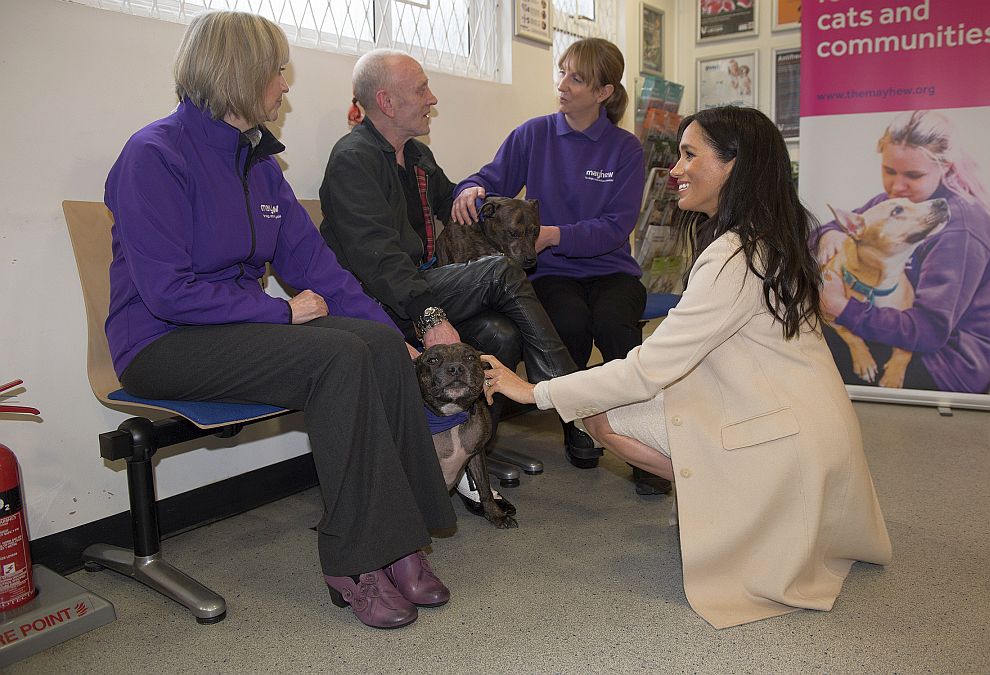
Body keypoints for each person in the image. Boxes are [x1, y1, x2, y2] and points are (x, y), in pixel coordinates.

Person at [104, 11, 456, 630]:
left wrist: (396, 335)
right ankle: (353, 561)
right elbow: (165, 292)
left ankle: (403, 540)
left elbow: (317, 267)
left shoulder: (260, 165)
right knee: (336, 356)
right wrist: (276, 310)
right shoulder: (153, 155)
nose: (286, 84)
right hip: (161, 341)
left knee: (372, 342)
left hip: (238, 331)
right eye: (278, 70)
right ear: (238, 73)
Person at [480, 106, 892, 629]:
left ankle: (736, 507)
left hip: (785, 441)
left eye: (689, 154)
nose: (674, 169)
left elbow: (646, 369)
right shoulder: (769, 239)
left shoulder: (733, 256)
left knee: (598, 415)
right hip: (808, 429)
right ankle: (735, 502)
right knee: (612, 398)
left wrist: (532, 391)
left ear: (733, 166)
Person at [318, 49, 604, 495]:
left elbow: (455, 204)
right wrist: (430, 316)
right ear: (387, 103)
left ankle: (467, 447)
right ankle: (574, 399)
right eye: (421, 89)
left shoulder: (413, 154)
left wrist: (471, 191)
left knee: (500, 334)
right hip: (377, 301)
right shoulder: (353, 161)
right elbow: (380, 262)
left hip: (414, 289)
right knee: (500, 273)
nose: (432, 98)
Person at [451, 38, 670, 495]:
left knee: (617, 330)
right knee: (567, 323)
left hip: (612, 270)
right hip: (553, 272)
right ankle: (579, 424)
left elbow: (615, 227)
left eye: (577, 78)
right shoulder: (533, 134)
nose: (563, 85)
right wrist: (469, 190)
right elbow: (491, 178)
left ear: (604, 92)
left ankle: (646, 443)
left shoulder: (625, 150)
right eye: (563, 72)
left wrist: (553, 234)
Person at [815, 110, 990, 393]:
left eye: (913, 175)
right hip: (903, 334)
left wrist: (843, 308)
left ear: (945, 168)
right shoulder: (900, 199)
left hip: (945, 363)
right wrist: (830, 233)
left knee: (807, 352)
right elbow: (844, 224)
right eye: (889, 171)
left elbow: (929, 331)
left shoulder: (961, 229)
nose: (897, 186)